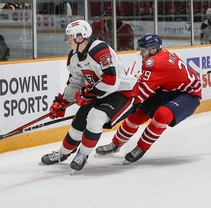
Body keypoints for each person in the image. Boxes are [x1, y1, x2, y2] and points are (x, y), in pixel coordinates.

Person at [40, 20, 138, 171]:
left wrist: (86, 93)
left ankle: (83, 155)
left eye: (70, 38)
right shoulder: (74, 57)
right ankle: (62, 154)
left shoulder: (100, 50)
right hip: (98, 93)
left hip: (122, 93)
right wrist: (62, 102)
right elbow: (75, 82)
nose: (68, 41)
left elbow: (111, 81)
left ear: (80, 38)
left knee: (95, 117)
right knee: (78, 122)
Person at [96, 33, 202, 164]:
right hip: (167, 90)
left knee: (162, 115)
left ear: (153, 50)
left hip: (188, 95)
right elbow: (148, 87)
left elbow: (142, 91)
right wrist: (133, 105)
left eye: (143, 50)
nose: (140, 54)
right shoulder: (155, 57)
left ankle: (141, 148)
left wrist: (127, 104)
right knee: (136, 115)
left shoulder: (155, 62)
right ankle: (115, 144)